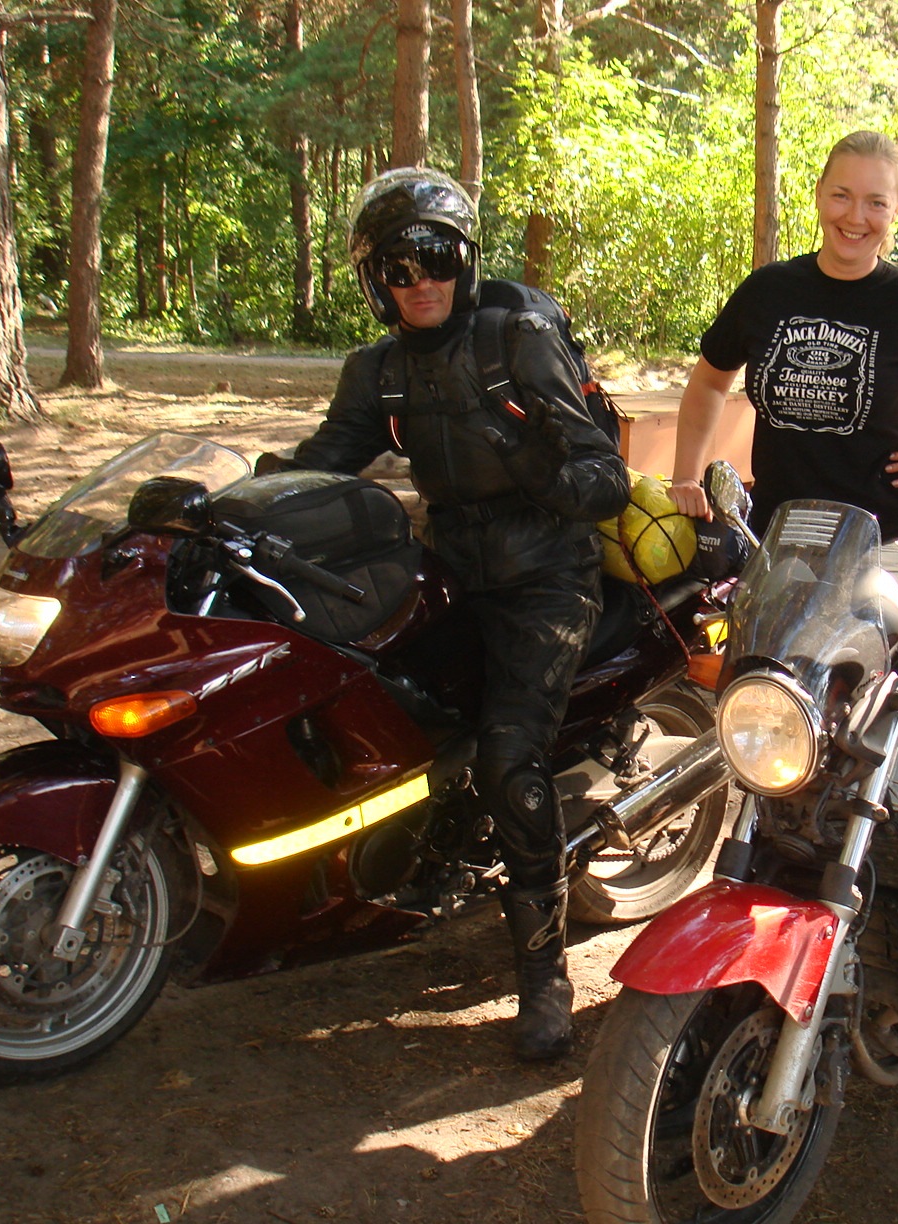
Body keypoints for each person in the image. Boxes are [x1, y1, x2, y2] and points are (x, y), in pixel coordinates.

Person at [265, 166, 630, 1061]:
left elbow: (605, 478)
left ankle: (543, 974)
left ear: (466, 261)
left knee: (510, 756)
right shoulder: (378, 371)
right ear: (374, 281)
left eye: (438, 257)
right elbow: (319, 465)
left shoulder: (519, 339)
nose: (421, 279)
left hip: (548, 577)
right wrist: (220, 502)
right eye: (399, 266)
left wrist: (540, 471)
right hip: (447, 572)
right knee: (355, 698)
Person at [664, 130, 898, 608]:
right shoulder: (769, 291)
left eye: (876, 202)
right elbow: (708, 382)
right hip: (777, 541)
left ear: (897, 208)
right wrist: (686, 476)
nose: (855, 217)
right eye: (842, 196)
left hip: (887, 544)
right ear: (819, 194)